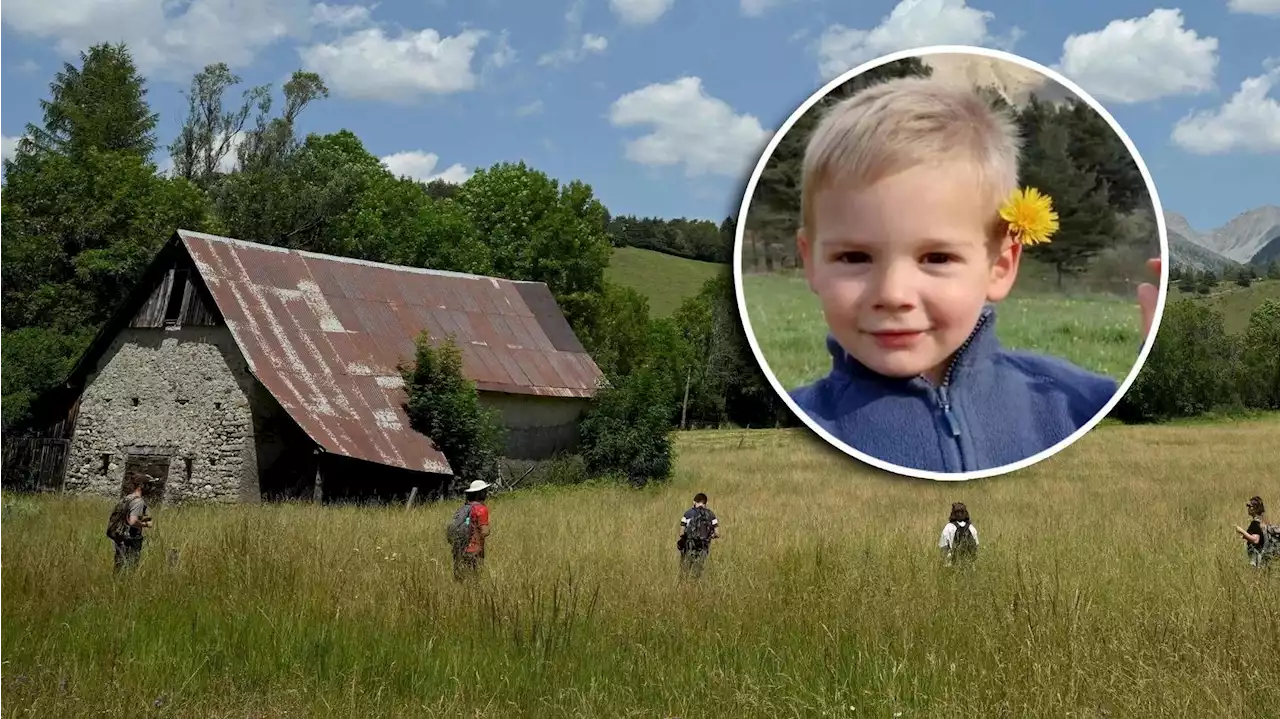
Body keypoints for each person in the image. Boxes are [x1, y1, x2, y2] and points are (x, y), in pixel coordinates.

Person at [787, 75, 1162, 473]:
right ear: (811, 262)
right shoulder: (792, 428)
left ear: (1000, 266)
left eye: (936, 258)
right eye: (854, 257)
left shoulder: (1080, 404)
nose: (893, 294)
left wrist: (1159, 365)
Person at [106, 474, 153, 574]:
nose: (151, 488)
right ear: (141, 486)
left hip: (121, 538)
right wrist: (146, 524)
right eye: (148, 485)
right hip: (130, 540)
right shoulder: (138, 501)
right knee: (129, 569)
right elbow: (133, 521)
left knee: (119, 567)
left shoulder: (127, 498)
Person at [449, 480, 491, 582]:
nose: (486, 493)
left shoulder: (464, 508)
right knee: (474, 580)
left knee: (461, 579)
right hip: (475, 550)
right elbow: (485, 532)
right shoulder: (481, 509)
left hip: (460, 549)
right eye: (484, 491)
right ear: (479, 493)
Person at [677, 493, 720, 580]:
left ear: (694, 502)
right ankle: (697, 585)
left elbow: (681, 533)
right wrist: (709, 536)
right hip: (703, 546)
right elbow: (717, 534)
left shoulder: (688, 514)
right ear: (705, 503)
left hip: (689, 546)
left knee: (686, 569)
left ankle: (685, 585)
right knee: (698, 569)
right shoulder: (711, 515)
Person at [938, 502, 978, 567]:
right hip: (969, 565)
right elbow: (976, 546)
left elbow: (943, 547)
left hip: (951, 565)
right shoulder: (972, 528)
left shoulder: (948, 527)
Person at [1236, 495, 1270, 568]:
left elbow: (1255, 540)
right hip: (1263, 558)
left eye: (1249, 506)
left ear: (1255, 509)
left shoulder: (1255, 523)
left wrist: (1241, 531)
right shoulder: (1263, 521)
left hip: (1257, 559)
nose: (1247, 508)